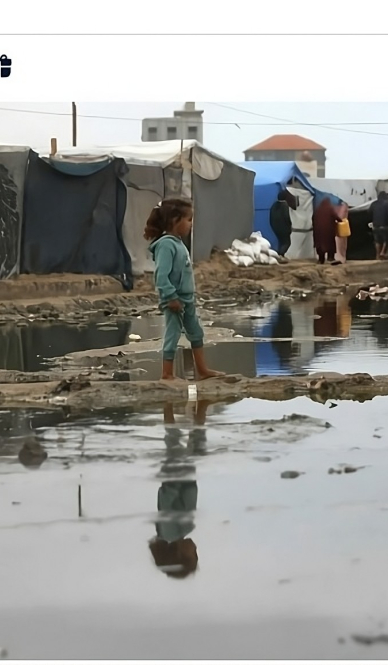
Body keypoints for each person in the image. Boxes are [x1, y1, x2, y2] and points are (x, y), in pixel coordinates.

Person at [145, 198, 223, 382]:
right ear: (174, 220)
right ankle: (167, 374)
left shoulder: (178, 243)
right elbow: (161, 276)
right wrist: (171, 297)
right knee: (173, 334)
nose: (191, 224)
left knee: (196, 332)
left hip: (186, 298)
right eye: (188, 219)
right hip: (175, 300)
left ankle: (202, 370)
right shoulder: (166, 245)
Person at [149, 400, 207, 579]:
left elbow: (166, 503)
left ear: (180, 555)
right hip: (187, 475)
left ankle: (169, 403)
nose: (196, 549)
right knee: (198, 437)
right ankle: (198, 400)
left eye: (194, 554)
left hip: (176, 475)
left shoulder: (169, 532)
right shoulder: (183, 530)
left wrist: (174, 481)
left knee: (173, 437)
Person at [269, 189, 296, 258]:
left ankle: (281, 255)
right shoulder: (284, 206)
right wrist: (290, 226)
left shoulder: (274, 205)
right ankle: (280, 254)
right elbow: (286, 217)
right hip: (284, 228)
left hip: (275, 228)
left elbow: (270, 217)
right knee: (287, 243)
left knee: (281, 242)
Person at [312, 197, 338, 264]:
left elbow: (313, 218)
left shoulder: (318, 209)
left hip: (318, 232)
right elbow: (336, 216)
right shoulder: (330, 208)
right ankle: (330, 258)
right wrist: (341, 221)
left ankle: (321, 259)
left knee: (320, 245)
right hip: (328, 232)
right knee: (330, 244)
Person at [371, 190, 388, 260]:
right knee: (386, 240)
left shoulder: (373, 204)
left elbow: (369, 212)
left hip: (375, 226)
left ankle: (377, 254)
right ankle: (382, 252)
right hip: (384, 226)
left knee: (377, 241)